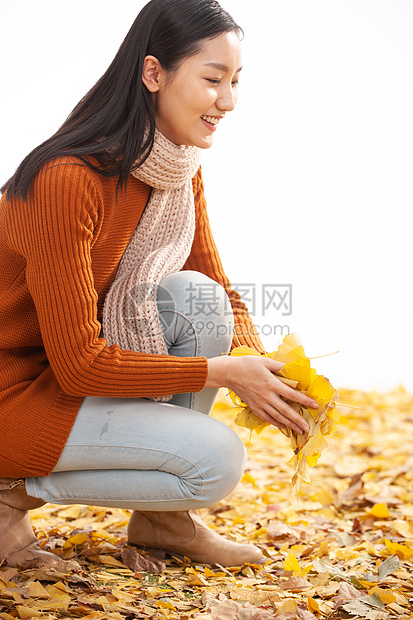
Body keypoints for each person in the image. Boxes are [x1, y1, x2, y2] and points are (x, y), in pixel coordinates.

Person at [0, 0, 318, 569]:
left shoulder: (176, 166)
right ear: (153, 74)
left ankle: (162, 524)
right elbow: (79, 363)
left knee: (199, 300)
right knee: (214, 463)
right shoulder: (67, 181)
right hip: (13, 391)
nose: (228, 100)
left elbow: (215, 282)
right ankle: (5, 497)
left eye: (237, 81)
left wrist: (270, 374)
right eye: (213, 79)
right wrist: (222, 373)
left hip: (55, 377)